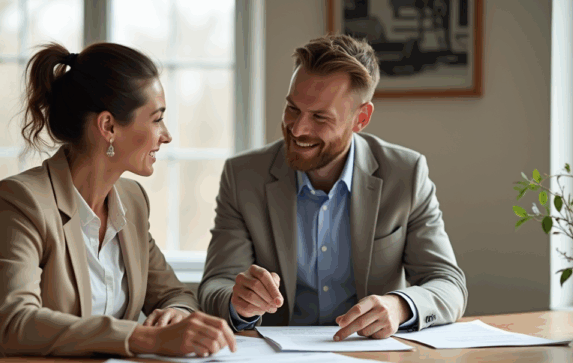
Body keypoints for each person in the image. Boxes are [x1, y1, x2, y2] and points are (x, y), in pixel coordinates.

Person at [0, 42, 235, 363]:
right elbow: (17, 323)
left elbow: (175, 294)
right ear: (108, 126)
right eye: (157, 119)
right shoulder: (21, 201)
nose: (166, 135)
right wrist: (147, 337)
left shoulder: (132, 201)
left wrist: (174, 314)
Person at [198, 34, 467, 341]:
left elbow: (448, 283)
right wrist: (238, 303)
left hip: (371, 356)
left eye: (320, 117)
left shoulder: (405, 174)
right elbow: (214, 284)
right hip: (274, 361)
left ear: (360, 119)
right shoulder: (243, 176)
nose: (298, 129)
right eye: (292, 109)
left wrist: (399, 306)